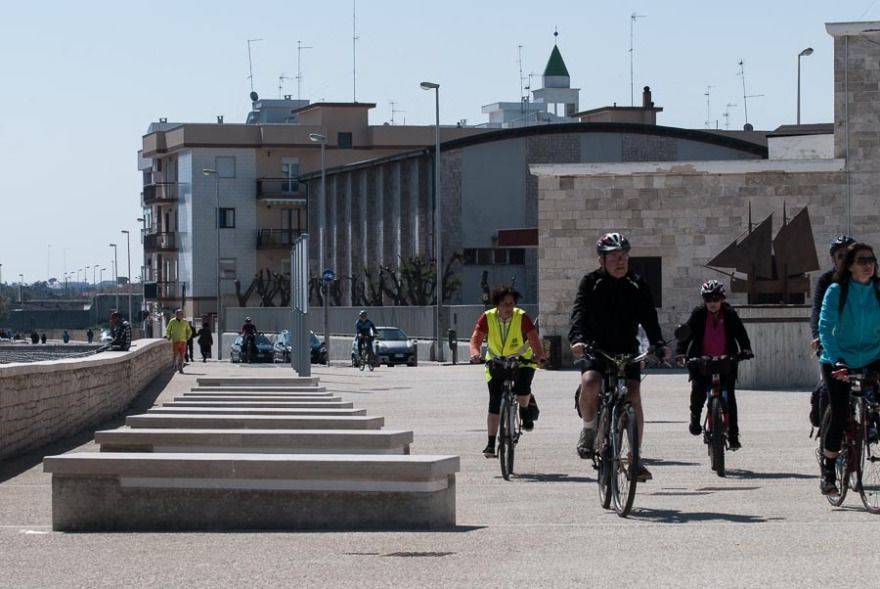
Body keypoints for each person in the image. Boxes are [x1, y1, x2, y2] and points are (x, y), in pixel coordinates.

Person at [568, 232, 669, 482]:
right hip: (595, 347)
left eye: (623, 256)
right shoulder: (591, 282)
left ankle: (635, 458)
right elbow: (579, 312)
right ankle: (589, 429)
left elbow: (649, 317)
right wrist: (577, 339)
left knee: (633, 394)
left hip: (626, 349)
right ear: (601, 260)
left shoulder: (637, 284)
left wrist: (658, 343)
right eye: (613, 256)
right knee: (590, 381)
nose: (620, 261)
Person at [817, 242, 880, 496]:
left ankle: (871, 426)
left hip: (873, 355)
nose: (868, 265)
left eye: (871, 260)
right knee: (840, 412)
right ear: (850, 266)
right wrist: (837, 360)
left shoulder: (878, 289)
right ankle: (829, 471)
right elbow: (825, 327)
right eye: (862, 260)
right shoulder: (837, 290)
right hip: (839, 357)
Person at [469, 284, 546, 458]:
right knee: (494, 402)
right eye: (504, 304)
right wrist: (475, 353)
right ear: (497, 304)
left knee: (523, 388)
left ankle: (524, 409)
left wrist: (539, 356)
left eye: (511, 303)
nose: (508, 307)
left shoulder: (522, 317)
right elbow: (476, 338)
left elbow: (533, 338)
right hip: (496, 361)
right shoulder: (487, 317)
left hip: (522, 360)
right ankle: (490, 443)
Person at [675, 280, 753, 450]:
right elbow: (686, 334)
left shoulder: (730, 314)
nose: (712, 303)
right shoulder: (698, 314)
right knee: (698, 391)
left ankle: (733, 436)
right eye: (708, 299)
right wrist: (680, 353)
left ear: (722, 299)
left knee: (730, 397)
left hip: (726, 361)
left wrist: (746, 349)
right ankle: (695, 419)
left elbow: (741, 333)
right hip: (701, 361)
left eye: (716, 299)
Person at [811, 235, 856, 352]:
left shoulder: (868, 280)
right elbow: (818, 310)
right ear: (833, 260)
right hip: (835, 340)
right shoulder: (826, 281)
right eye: (840, 256)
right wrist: (817, 336)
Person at [166, 309, 192, 374]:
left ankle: (181, 368)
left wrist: (188, 336)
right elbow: (168, 329)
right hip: (175, 340)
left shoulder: (185, 321)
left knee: (182, 354)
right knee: (175, 354)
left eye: (182, 314)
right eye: (180, 314)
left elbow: (189, 330)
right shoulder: (172, 321)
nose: (182, 315)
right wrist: (168, 336)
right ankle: (175, 364)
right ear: (176, 314)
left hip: (183, 340)